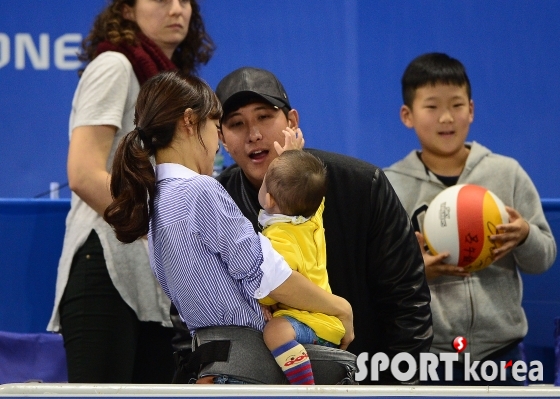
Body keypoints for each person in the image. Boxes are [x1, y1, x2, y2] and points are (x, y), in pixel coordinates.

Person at [103, 70, 354, 385]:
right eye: (214, 125)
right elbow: (267, 277)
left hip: (218, 371)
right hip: (243, 376)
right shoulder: (201, 191)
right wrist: (339, 307)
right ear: (190, 122)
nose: (217, 145)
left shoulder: (157, 200)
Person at [207, 66, 433, 384]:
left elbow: (407, 301)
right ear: (222, 139)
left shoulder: (362, 185)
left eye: (264, 117)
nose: (254, 134)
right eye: (236, 124)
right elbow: (190, 312)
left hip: (361, 381)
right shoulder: (215, 203)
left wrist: (395, 391)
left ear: (292, 122)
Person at [47, 0, 214, 383]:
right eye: (161, 0)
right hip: (106, 272)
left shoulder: (170, 81)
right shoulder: (114, 65)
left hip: (156, 284)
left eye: (184, 1)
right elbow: (84, 174)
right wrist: (161, 229)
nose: (177, 9)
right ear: (125, 10)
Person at [384, 52, 557, 385]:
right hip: (425, 355)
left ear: (472, 110)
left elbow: (544, 258)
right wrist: (415, 272)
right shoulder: (390, 185)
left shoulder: (506, 173)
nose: (446, 118)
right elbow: (376, 277)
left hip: (502, 354)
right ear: (407, 115)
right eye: (432, 107)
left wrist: (524, 236)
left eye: (457, 105)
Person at [257, 148, 345, 385]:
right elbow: (315, 196)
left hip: (307, 323)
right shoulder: (313, 220)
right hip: (330, 323)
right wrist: (291, 154)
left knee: (274, 331)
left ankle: (304, 388)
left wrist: (260, 302)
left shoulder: (278, 239)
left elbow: (273, 286)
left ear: (268, 199)